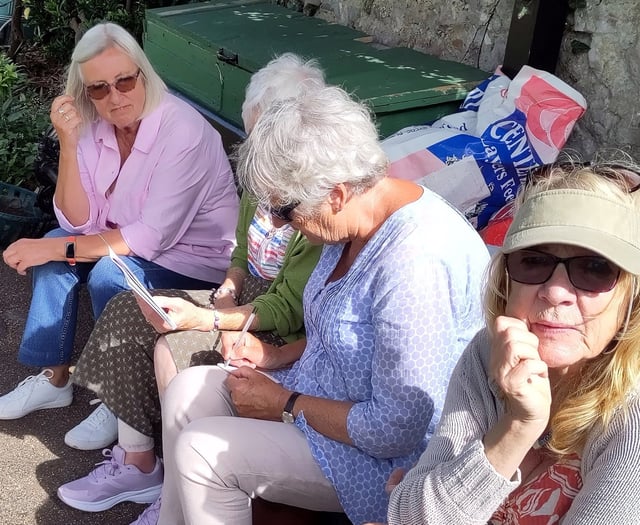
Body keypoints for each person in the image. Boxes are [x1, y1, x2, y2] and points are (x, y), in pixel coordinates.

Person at [131, 84, 491, 525]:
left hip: (383, 458)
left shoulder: (415, 263)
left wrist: (285, 402)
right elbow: (343, 333)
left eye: (283, 211)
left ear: (336, 193)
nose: (279, 225)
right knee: (188, 391)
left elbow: (398, 427)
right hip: (323, 397)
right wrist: (277, 357)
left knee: (200, 452)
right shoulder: (352, 219)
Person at [55, 53, 326, 515]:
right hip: (246, 300)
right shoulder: (264, 180)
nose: (252, 149)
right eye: (252, 133)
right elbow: (241, 251)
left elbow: (290, 307)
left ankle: (178, 487)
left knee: (171, 345)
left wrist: (210, 316)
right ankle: (139, 464)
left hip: (282, 322)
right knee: (130, 308)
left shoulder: (313, 203)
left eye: (263, 137)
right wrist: (229, 284)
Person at [0, 22, 238, 420]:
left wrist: (51, 246)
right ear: (86, 93)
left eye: (124, 81)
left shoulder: (183, 130)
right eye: (98, 88)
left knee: (107, 272)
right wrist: (69, 144)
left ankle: (118, 396)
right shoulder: (95, 125)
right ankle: (55, 379)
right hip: (129, 244)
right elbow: (79, 222)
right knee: (59, 249)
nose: (114, 96)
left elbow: (151, 236)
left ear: (143, 74)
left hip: (193, 261)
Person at [387, 160, 640, 524]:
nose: (555, 292)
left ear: (631, 298)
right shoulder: (487, 353)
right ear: (506, 282)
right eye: (534, 261)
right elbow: (411, 517)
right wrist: (518, 426)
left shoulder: (631, 416)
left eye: (594, 268)